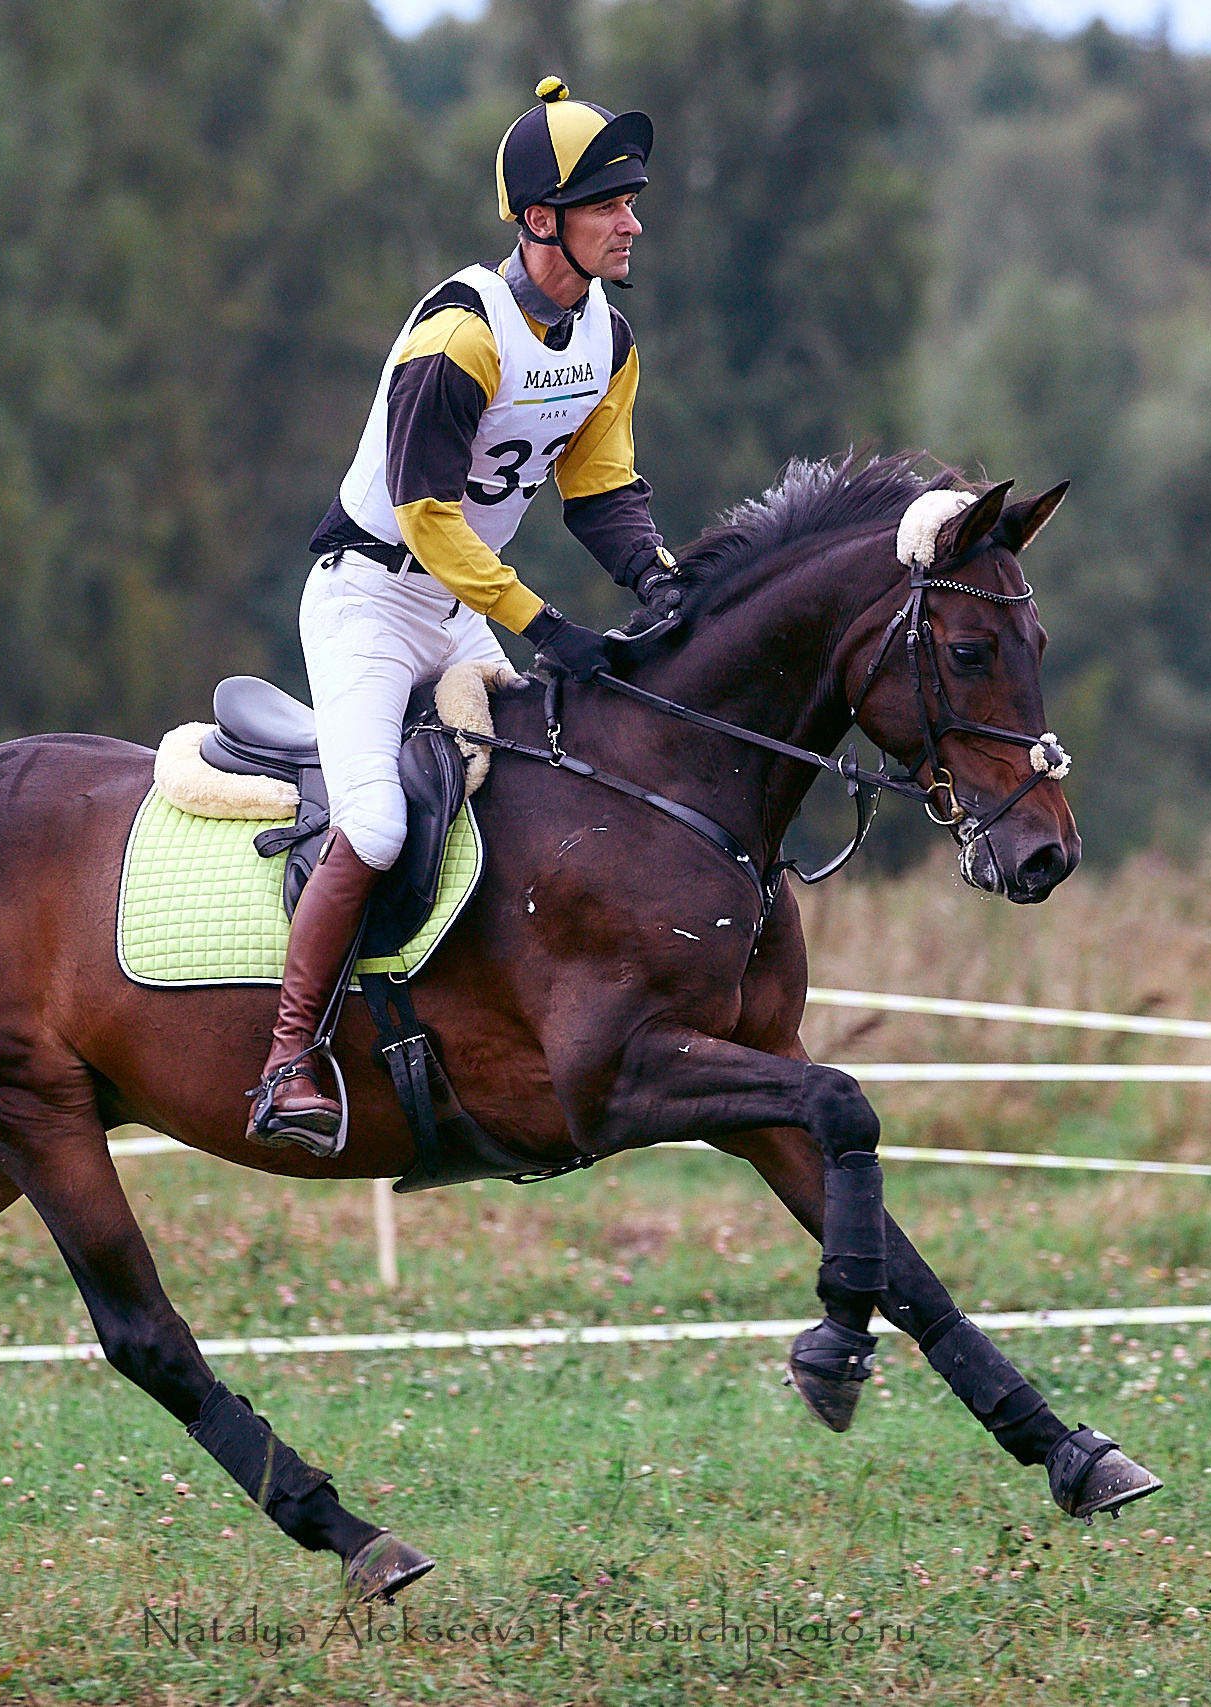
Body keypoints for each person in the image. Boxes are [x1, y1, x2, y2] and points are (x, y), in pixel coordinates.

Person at [248, 78, 688, 1152]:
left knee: (540, 786)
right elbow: (426, 515)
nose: (632, 221)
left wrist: (663, 580)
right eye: (609, 204)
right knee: (380, 823)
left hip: (457, 604)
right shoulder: (457, 338)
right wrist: (544, 626)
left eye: (630, 202)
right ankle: (287, 1059)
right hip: (368, 604)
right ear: (542, 220)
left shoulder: (607, 338)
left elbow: (600, 492)